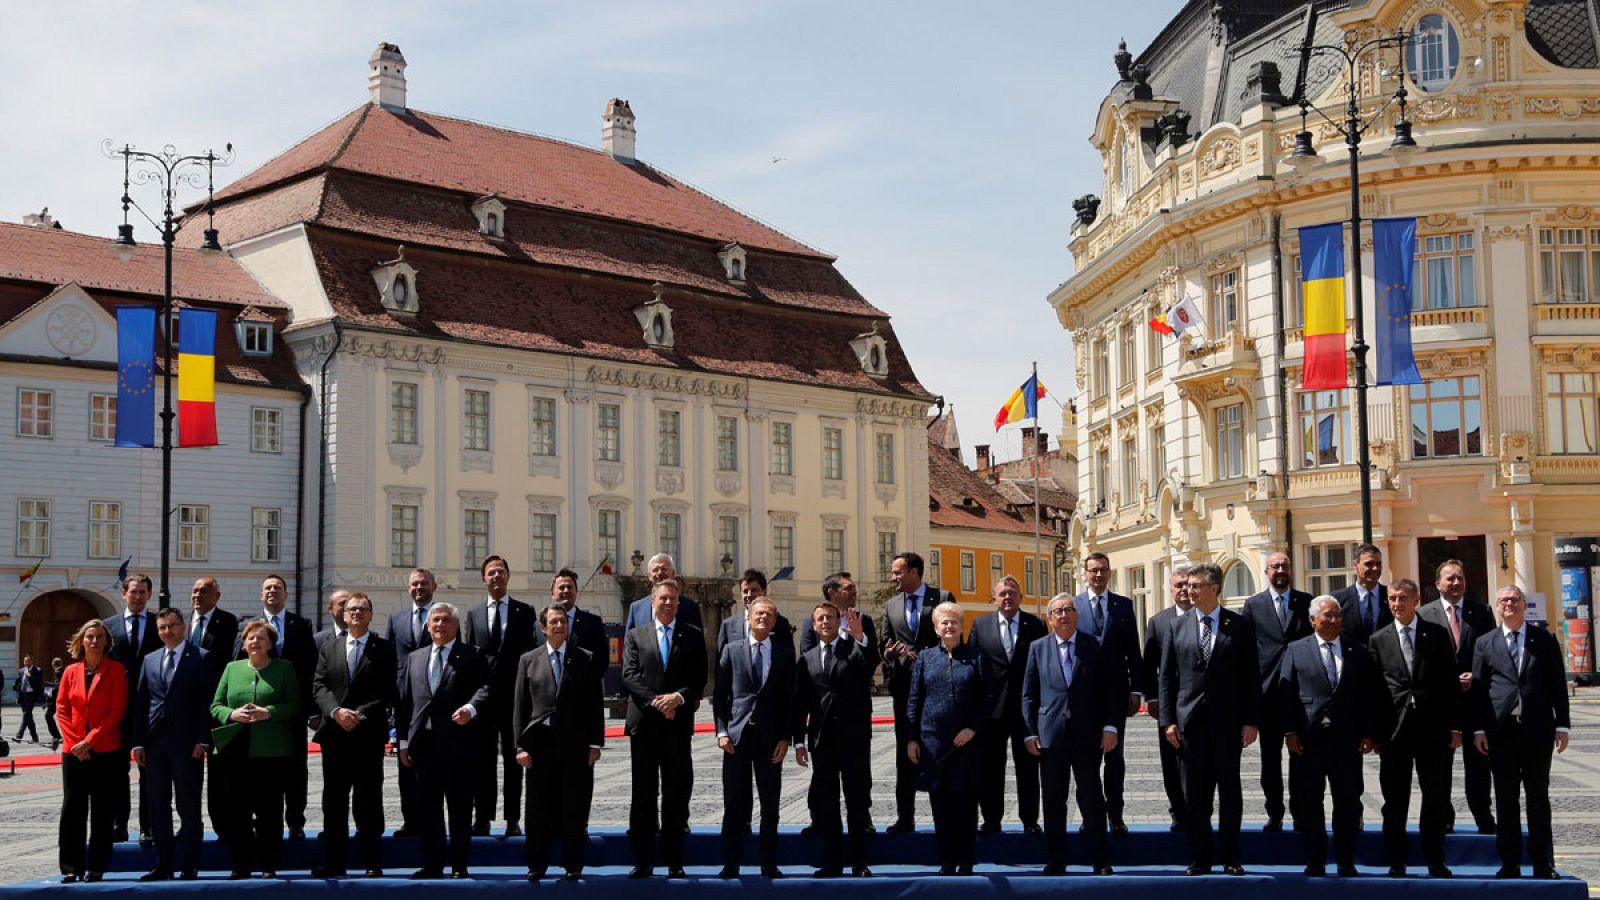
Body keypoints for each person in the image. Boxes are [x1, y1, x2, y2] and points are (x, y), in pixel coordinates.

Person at [1159, 563, 1260, 876]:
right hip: (1190, 723)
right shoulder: (1177, 626)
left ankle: (1231, 857)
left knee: (1230, 792)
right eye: (1187, 585)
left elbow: (1250, 677)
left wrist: (1251, 720)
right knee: (1195, 796)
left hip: (1227, 724)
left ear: (1215, 588)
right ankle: (1200, 858)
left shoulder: (1239, 626)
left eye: (1196, 585)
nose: (1189, 590)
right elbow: (1168, 679)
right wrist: (1168, 721)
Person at [1472, 585, 1570, 879]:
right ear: (1497, 607)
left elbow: (1558, 684)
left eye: (1514, 600)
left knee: (1538, 797)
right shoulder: (1485, 643)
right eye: (1503, 601)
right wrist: (1478, 728)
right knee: (1505, 798)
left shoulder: (1544, 639)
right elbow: (1478, 690)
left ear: (1524, 605)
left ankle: (1543, 863)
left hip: (1537, 731)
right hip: (1500, 732)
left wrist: (1562, 724)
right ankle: (1510, 863)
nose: (1508, 604)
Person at [1022, 593, 1121, 875]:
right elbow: (1028, 695)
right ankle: (1056, 859)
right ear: (1050, 618)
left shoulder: (1094, 646)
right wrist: (1030, 732)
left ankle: (1100, 859)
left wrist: (1110, 726)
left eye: (1068, 610)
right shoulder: (1037, 648)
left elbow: (1110, 691)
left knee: (1092, 798)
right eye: (1057, 611)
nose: (1063, 615)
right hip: (1050, 737)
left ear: (1076, 615)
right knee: (1053, 800)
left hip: (1087, 735)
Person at [1368, 578, 1461, 878]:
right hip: (1394, 733)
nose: (1396, 604)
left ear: (1417, 600)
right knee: (1395, 801)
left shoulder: (1436, 634)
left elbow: (1450, 683)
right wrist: (1373, 732)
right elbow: (1374, 691)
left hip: (1432, 731)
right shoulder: (1379, 639)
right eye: (1392, 599)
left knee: (1435, 797)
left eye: (1403, 598)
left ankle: (1435, 859)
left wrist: (1456, 726)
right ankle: (1396, 861)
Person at [1279, 596, 1376, 877]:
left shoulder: (1356, 650)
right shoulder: (1296, 650)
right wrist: (1290, 731)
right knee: (1310, 802)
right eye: (1327, 616)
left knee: (1348, 801)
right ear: (1313, 620)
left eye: (1337, 616)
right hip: (1308, 740)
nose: (1333, 620)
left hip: (1346, 741)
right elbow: (1286, 696)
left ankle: (1346, 860)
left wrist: (1368, 733)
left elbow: (1366, 696)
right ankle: (1316, 859)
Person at [397, 602, 492, 879]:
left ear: (456, 625)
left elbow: (486, 688)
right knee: (428, 808)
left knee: (460, 807)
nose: (439, 625)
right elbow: (405, 702)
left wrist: (471, 709)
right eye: (435, 621)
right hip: (424, 745)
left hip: (459, 743)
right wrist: (403, 742)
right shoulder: (415, 658)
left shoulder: (472, 655)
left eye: (445, 621)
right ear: (428, 626)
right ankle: (433, 863)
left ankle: (459, 864)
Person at [621, 580, 707, 879]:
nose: (668, 603)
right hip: (644, 725)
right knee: (643, 794)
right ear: (652, 603)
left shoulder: (693, 636)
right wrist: (657, 703)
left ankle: (674, 859)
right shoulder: (635, 635)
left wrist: (679, 698)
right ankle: (643, 860)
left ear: (678, 604)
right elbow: (629, 675)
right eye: (663, 599)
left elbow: (700, 678)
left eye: (673, 599)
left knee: (675, 792)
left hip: (678, 725)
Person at [513, 604, 604, 881]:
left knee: (573, 806)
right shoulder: (528, 660)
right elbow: (520, 705)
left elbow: (594, 705)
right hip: (539, 746)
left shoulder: (584, 658)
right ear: (543, 628)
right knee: (538, 807)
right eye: (553, 622)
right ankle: (536, 863)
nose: (559, 626)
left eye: (563, 622)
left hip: (574, 745)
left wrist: (595, 744)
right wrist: (520, 746)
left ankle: (573, 864)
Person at [311, 592, 397, 878]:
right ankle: (335, 862)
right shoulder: (329, 647)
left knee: (368, 800)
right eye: (351, 609)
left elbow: (387, 690)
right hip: (335, 735)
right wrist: (336, 712)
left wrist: (358, 714)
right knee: (333, 801)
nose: (356, 613)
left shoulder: (384, 648)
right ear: (343, 615)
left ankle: (372, 861)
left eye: (362, 609)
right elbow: (319, 685)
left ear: (371, 615)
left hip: (367, 735)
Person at [906, 601, 995, 876]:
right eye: (944, 622)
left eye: (954, 621)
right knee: (941, 804)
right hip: (934, 743)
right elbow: (914, 700)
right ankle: (946, 859)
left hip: (967, 743)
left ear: (962, 626)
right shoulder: (925, 658)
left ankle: (967, 859)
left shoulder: (977, 657)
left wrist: (973, 729)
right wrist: (912, 739)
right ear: (935, 628)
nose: (949, 626)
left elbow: (989, 698)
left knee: (966, 805)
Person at [794, 600, 879, 878]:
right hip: (822, 741)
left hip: (853, 739)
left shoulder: (853, 649)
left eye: (830, 618)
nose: (825, 623)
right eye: (820, 619)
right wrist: (799, 742)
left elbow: (869, 665)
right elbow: (801, 703)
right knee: (828, 804)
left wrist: (860, 637)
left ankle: (858, 862)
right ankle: (833, 862)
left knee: (855, 801)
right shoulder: (806, 659)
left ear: (837, 621)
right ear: (814, 625)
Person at [212, 618, 301, 880]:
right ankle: (240, 865)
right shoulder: (232, 668)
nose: (255, 641)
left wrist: (269, 712)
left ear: (271, 644)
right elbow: (215, 705)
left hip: (271, 750)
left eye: (261, 637)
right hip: (236, 750)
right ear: (243, 643)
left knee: (269, 811)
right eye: (250, 637)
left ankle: (268, 864)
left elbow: (295, 704)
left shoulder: (284, 668)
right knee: (238, 810)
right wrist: (232, 713)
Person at [714, 597, 793, 878]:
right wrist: (721, 731)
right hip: (736, 738)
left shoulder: (783, 654)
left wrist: (787, 738)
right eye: (758, 614)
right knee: (734, 802)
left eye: (769, 615)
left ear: (774, 621)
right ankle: (731, 863)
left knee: (770, 803)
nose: (763, 618)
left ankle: (768, 863)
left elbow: (788, 700)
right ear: (748, 618)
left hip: (771, 740)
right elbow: (720, 696)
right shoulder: (731, 650)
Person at [234, 574, 317, 840]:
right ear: (261, 595)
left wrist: (309, 708)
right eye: (268, 588)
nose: (272, 592)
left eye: (277, 588)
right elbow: (237, 663)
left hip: (291, 710)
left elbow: (310, 667)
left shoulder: (301, 625)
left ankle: (295, 821)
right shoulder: (247, 626)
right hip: (255, 712)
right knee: (260, 770)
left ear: (286, 594)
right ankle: (262, 820)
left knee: (295, 769)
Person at [130, 609, 210, 882]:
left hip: (188, 744)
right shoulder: (150, 659)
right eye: (162, 627)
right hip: (154, 745)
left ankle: (189, 864)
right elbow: (141, 702)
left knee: (188, 806)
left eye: (171, 626)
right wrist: (138, 741)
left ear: (183, 626)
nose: (167, 632)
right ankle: (163, 864)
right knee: (157, 806)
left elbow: (205, 702)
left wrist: (203, 738)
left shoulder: (200, 657)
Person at [459, 556, 536, 837]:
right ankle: (482, 817)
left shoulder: (524, 611)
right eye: (491, 573)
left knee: (515, 760)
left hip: (514, 697)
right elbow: (469, 655)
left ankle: (513, 819)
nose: (496, 577)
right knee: (483, 760)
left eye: (501, 572)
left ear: (508, 576)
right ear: (483, 578)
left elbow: (530, 654)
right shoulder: (474, 613)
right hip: (483, 698)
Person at [1418, 559, 1496, 834]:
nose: (1455, 583)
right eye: (1449, 578)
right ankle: (1444, 815)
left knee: (1479, 763)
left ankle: (1482, 813)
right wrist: (1451, 680)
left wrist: (1474, 677)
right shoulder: (1424, 615)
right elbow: (1422, 661)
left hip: (1474, 700)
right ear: (1437, 583)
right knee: (1441, 764)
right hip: (1441, 703)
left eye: (1460, 578)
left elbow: (1490, 652)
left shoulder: (1482, 612)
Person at [1241, 551, 1313, 832]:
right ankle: (1275, 813)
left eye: (1285, 565)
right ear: (1266, 571)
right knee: (1269, 759)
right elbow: (1247, 652)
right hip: (1267, 693)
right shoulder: (1253, 605)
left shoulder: (1306, 603)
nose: (1280, 570)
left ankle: (1299, 813)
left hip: (1299, 692)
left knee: (1300, 757)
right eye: (1275, 566)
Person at [969, 575, 1047, 834]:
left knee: (1028, 767)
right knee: (991, 767)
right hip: (991, 710)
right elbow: (972, 667)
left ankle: (1030, 820)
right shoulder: (980, 626)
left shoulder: (1035, 625)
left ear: (1020, 597)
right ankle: (991, 820)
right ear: (994, 598)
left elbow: (1042, 668)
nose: (1007, 597)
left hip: (1026, 709)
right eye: (1002, 593)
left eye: (1012, 592)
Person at [1073, 552, 1142, 834]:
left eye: (1103, 570)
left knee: (1115, 758)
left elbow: (1133, 652)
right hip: (1083, 696)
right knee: (1086, 760)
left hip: (1116, 694)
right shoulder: (1073, 606)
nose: (1098, 575)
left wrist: (1136, 689)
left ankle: (1116, 815)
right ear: (1085, 573)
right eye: (1093, 571)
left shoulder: (1123, 606)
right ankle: (1091, 815)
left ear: (1109, 573)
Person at [880, 551, 948, 832]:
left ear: (914, 572)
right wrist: (891, 654)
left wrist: (924, 656)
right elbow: (883, 644)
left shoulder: (942, 598)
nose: (893, 577)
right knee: (903, 754)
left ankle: (943, 818)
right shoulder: (891, 606)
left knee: (936, 751)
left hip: (936, 689)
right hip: (904, 689)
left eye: (898, 572)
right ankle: (904, 817)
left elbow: (951, 637)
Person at [55, 619, 127, 883]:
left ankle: (97, 866)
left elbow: (116, 711)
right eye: (89, 636)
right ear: (81, 641)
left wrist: (91, 741)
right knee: (72, 809)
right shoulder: (70, 671)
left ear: (107, 642)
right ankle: (71, 867)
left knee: (102, 810)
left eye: (99, 637)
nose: (94, 641)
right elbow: (61, 709)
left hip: (105, 750)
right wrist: (77, 743)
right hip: (73, 752)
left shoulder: (116, 670)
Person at [101, 573, 160, 844]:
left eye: (142, 592)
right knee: (115, 772)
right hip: (117, 710)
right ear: (123, 593)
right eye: (133, 591)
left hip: (150, 709)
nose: (137, 597)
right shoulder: (107, 626)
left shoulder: (160, 625)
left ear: (149, 595)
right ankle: (118, 824)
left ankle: (149, 826)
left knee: (150, 771)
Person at [386, 567, 437, 837]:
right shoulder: (396, 619)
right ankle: (410, 820)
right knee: (405, 761)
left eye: (424, 584)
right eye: (415, 585)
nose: (419, 588)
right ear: (409, 589)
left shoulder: (443, 618)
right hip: (404, 700)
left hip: (433, 697)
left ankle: (431, 819)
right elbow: (389, 658)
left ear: (434, 587)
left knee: (432, 762)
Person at [187, 577, 238, 839]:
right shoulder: (184, 623)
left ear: (216, 597)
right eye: (195, 591)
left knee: (220, 774)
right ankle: (190, 824)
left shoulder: (229, 623)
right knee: (188, 773)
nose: (198, 595)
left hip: (218, 707)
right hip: (188, 710)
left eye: (204, 591)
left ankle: (223, 825)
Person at [1142, 565, 1192, 831]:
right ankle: (1177, 811)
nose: (1183, 589)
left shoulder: (1203, 618)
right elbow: (1149, 664)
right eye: (1178, 585)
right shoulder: (1159, 622)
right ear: (1170, 590)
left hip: (1198, 702)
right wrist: (1151, 699)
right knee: (1170, 760)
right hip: (1168, 702)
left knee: (1196, 760)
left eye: (1187, 584)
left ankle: (1197, 809)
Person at [536, 568, 610, 678]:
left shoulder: (593, 623)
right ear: (552, 594)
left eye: (569, 587)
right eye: (561, 587)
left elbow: (602, 661)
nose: (566, 590)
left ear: (576, 592)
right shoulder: (539, 626)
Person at [717, 569, 795, 658]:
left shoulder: (780, 623)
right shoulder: (728, 625)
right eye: (745, 591)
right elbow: (721, 664)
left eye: (754, 590)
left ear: (764, 592)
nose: (749, 595)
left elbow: (788, 660)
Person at [800, 571, 879, 655]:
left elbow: (873, 657)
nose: (855, 592)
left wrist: (861, 638)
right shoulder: (812, 622)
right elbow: (806, 657)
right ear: (832, 593)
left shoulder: (864, 621)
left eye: (854, 588)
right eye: (849, 588)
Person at [624, 554, 703, 631]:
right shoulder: (636, 609)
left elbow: (697, 642)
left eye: (664, 569)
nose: (659, 573)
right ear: (649, 576)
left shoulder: (691, 608)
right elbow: (629, 642)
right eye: (655, 570)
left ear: (673, 574)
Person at [1333, 544, 1391, 645]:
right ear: (1355, 565)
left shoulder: (1392, 598)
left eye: (1378, 564)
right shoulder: (1337, 600)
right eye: (1369, 564)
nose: (1375, 568)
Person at [14, 655, 43, 743]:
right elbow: (19, 682)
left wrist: (29, 676)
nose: (26, 663)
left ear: (31, 662)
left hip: (32, 695)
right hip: (23, 696)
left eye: (28, 661)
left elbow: (38, 682)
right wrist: (16, 691)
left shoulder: (37, 670)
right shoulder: (21, 670)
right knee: (28, 717)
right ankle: (35, 737)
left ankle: (19, 736)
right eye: (25, 661)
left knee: (26, 714)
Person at [43, 656, 64, 750]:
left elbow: (58, 686)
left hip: (57, 699)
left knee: (48, 716)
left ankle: (57, 736)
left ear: (53, 665)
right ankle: (57, 737)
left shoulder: (58, 672)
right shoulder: (63, 671)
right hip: (60, 699)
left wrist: (49, 692)